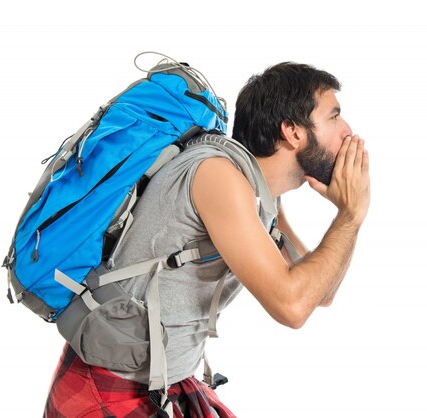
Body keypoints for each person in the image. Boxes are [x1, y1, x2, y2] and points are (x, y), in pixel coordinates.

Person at [44, 61, 370, 417]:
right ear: (292, 131)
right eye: (334, 117)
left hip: (165, 382)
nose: (348, 131)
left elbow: (319, 293)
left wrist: (349, 217)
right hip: (109, 386)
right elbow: (292, 308)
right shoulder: (217, 176)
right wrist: (350, 215)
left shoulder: (264, 198)